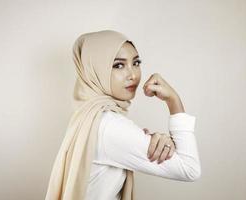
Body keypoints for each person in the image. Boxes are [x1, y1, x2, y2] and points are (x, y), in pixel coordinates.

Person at [45, 30, 201, 200]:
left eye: (136, 63)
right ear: (95, 70)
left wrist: (165, 144)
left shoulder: (89, 115)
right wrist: (173, 100)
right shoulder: (109, 125)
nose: (133, 75)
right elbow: (190, 169)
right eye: (118, 65)